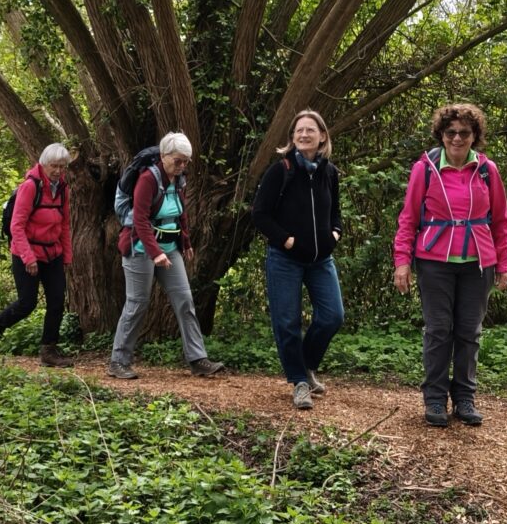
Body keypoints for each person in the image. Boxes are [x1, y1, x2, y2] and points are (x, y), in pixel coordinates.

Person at [393, 103, 507, 427]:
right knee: (438, 330)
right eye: (451, 132)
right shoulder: (425, 168)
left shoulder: (487, 170)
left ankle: (464, 398)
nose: (457, 138)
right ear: (441, 135)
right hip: (434, 261)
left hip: (478, 263)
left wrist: (504, 264)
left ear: (474, 136)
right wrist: (402, 261)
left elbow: (501, 221)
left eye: (464, 133)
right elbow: (408, 218)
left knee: (469, 332)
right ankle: (434, 397)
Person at [108, 132, 225, 380]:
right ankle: (118, 361)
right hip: (140, 247)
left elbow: (180, 213)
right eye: (177, 160)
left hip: (169, 246)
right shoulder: (148, 179)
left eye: (186, 161)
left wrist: (186, 242)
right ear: (163, 156)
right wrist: (155, 253)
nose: (182, 166)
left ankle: (198, 359)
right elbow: (139, 220)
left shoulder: (179, 179)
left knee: (185, 300)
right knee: (137, 303)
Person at [251, 110, 344, 410]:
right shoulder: (281, 170)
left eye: (310, 130)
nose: (304, 135)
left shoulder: (330, 172)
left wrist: (335, 234)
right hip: (285, 259)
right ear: (292, 137)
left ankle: (306, 365)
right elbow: (259, 214)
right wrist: (286, 240)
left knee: (332, 316)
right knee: (287, 321)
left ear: (322, 136)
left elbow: (336, 213)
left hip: (321, 260)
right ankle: (300, 382)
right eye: (299, 130)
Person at [0, 143, 73, 366]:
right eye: (54, 166)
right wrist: (28, 258)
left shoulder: (63, 189)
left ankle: (49, 350)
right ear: (44, 164)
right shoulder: (30, 187)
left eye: (62, 166)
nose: (58, 171)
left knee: (57, 301)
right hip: (26, 251)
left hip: (52, 252)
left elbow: (64, 225)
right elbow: (17, 226)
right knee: (27, 303)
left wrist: (67, 256)